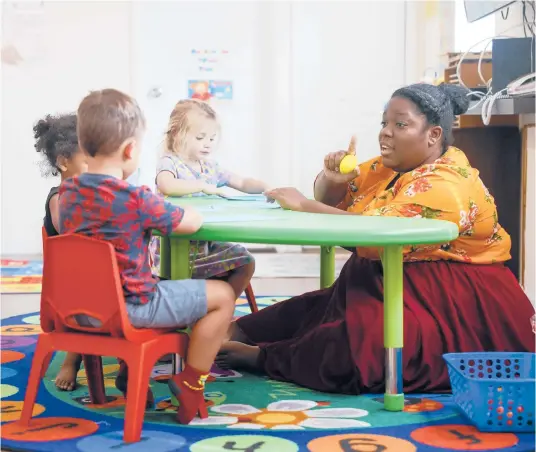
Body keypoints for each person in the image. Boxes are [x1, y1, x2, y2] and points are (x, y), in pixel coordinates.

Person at [216, 83, 536, 394]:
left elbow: (373, 238)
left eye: (400, 124)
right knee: (313, 310)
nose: (386, 132)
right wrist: (333, 179)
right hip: (391, 281)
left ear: (433, 135)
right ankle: (241, 331)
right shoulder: (393, 167)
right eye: (384, 122)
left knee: (359, 344)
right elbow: (329, 200)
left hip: (451, 299)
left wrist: (304, 205)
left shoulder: (446, 185)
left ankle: (266, 358)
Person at [59, 89, 236, 424]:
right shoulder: (136, 199)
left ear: (83, 147)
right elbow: (191, 222)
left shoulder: (67, 195)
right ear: (130, 150)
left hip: (79, 308)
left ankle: (131, 371)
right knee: (222, 296)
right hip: (131, 308)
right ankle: (191, 381)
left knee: (156, 280)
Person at [151, 99, 268, 299]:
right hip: (173, 249)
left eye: (212, 138)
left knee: (246, 261)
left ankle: (221, 309)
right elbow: (166, 185)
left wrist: (267, 188)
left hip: (205, 245)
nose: (208, 144)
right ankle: (207, 308)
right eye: (200, 137)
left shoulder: (210, 167)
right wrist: (202, 186)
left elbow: (241, 182)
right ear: (178, 134)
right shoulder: (170, 162)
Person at [34, 113, 88, 392]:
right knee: (90, 290)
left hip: (95, 280)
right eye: (88, 161)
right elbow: (68, 231)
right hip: (70, 290)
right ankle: (73, 358)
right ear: (64, 162)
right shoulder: (60, 196)